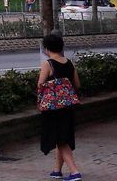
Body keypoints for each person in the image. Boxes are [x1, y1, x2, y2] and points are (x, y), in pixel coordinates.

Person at [38, 32, 82, 181]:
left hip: (53, 108)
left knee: (61, 140)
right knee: (62, 137)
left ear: (47, 48)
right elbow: (77, 84)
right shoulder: (69, 63)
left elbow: (40, 84)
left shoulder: (48, 64)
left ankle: (74, 171)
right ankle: (57, 170)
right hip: (68, 106)